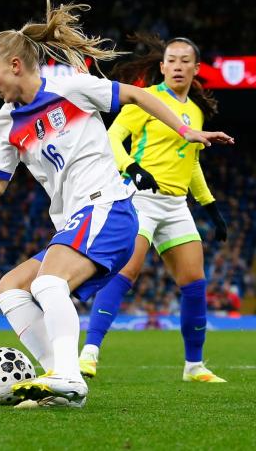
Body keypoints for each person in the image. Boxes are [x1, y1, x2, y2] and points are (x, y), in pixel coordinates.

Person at [0, 0, 233, 408]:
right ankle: (61, 385)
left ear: (16, 65)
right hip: (76, 220)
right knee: (9, 289)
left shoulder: (69, 87)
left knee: (47, 282)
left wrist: (186, 131)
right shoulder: (6, 123)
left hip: (108, 207)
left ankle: (68, 375)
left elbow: (134, 96)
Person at [79, 35, 227, 383]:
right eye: (171, 60)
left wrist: (210, 207)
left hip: (176, 206)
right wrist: (131, 168)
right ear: (161, 67)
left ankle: (194, 367)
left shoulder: (195, 111)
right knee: (125, 272)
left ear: (196, 68)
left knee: (194, 282)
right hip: (140, 198)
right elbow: (111, 139)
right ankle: (89, 353)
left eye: (184, 60)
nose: (177, 66)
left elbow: (191, 164)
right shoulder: (145, 99)